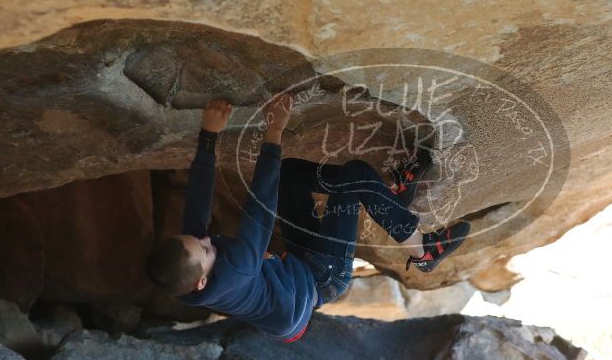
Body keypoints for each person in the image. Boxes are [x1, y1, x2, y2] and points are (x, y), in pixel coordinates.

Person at [146, 95, 470, 343]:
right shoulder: (235, 268)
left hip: (293, 269)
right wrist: (274, 129)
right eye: (205, 249)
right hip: (321, 279)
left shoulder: (187, 269)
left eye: (196, 239)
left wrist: (208, 136)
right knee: (354, 174)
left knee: (290, 175)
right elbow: (261, 204)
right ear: (202, 281)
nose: (204, 238)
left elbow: (197, 203)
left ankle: (384, 196)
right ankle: (422, 250)